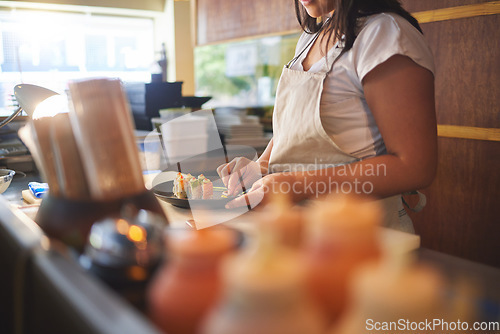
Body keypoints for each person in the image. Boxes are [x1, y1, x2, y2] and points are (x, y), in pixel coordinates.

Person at [217, 0, 436, 232]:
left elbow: (415, 168)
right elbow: (298, 125)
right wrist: (261, 165)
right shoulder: (310, 38)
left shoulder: (386, 35)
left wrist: (297, 184)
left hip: (361, 238)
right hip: (299, 232)